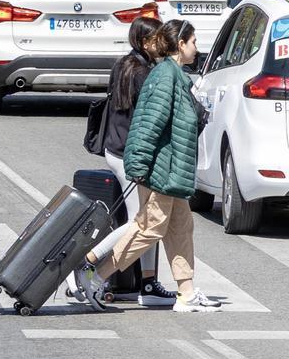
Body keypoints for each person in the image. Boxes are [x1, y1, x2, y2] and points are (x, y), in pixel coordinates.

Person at [75, 20, 221, 312]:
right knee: (148, 228)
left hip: (172, 169)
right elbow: (148, 125)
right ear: (180, 45)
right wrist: (140, 165)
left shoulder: (173, 75)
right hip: (160, 169)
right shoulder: (165, 77)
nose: (197, 47)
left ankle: (187, 293)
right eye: (193, 42)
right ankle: (92, 274)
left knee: (181, 226)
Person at [78, 17, 178, 307]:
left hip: (117, 148)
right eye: (158, 39)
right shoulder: (143, 73)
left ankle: (147, 283)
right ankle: (87, 265)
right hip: (130, 154)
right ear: (146, 42)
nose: (163, 43)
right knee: (142, 222)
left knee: (145, 219)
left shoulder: (124, 64)